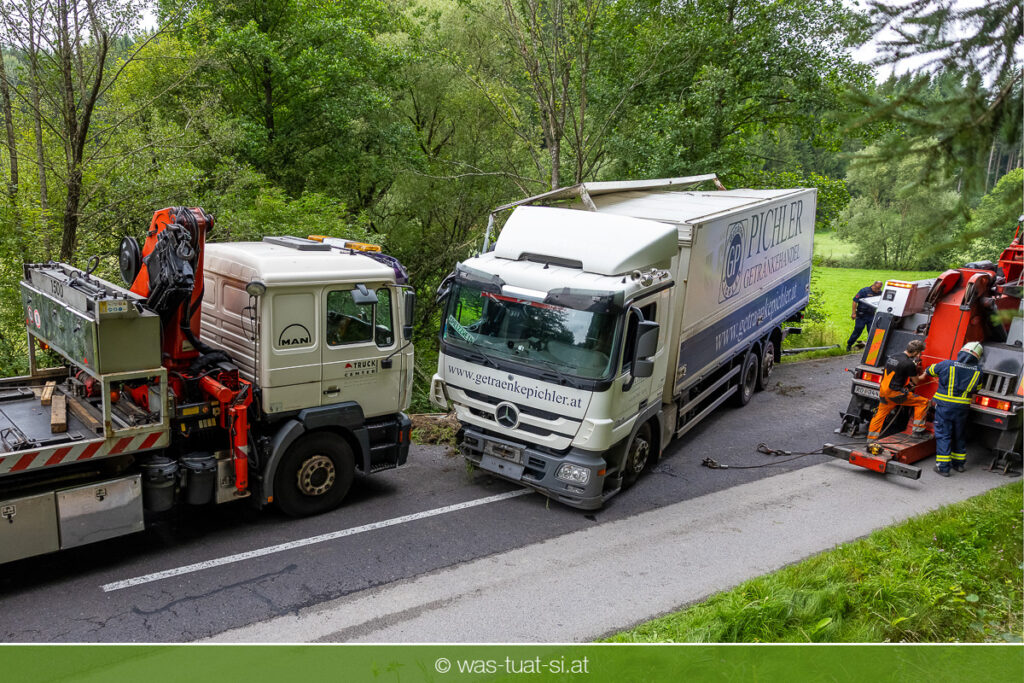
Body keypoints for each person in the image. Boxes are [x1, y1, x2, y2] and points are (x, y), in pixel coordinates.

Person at [926, 341, 984, 477]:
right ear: (977, 357)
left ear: (961, 352)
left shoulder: (947, 364)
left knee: (943, 435)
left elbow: (929, 370)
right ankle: (959, 464)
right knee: (959, 434)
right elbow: (977, 389)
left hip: (944, 407)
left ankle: (943, 467)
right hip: (962, 408)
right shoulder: (978, 371)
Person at [867, 340, 930, 440]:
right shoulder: (909, 364)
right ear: (915, 352)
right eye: (919, 353)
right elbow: (917, 381)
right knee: (923, 402)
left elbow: (896, 373)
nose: (919, 355)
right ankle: (918, 431)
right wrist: (926, 373)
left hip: (884, 391)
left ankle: (871, 438)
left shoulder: (892, 357)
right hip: (896, 394)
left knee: (880, 415)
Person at [847, 281, 883, 352]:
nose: (878, 290)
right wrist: (853, 313)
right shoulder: (864, 291)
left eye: (879, 288)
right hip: (861, 315)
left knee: (872, 331)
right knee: (858, 330)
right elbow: (855, 301)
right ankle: (849, 345)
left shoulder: (880, 293)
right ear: (873, 285)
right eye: (877, 288)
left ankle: (873, 348)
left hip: (871, 315)